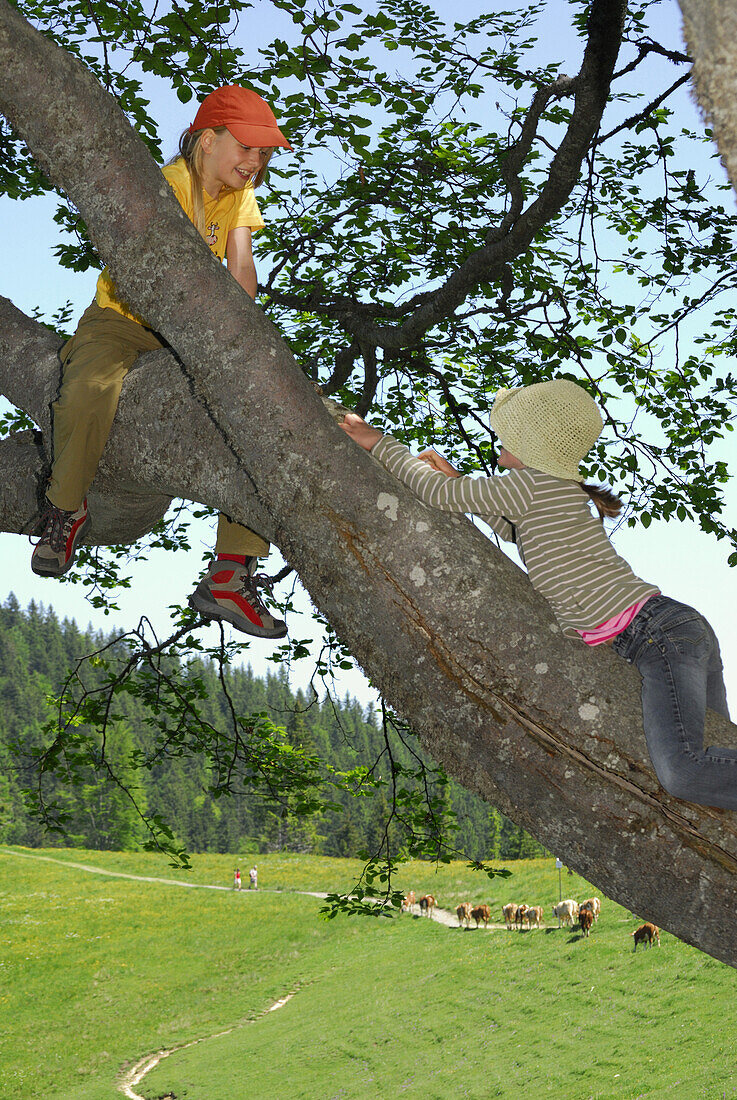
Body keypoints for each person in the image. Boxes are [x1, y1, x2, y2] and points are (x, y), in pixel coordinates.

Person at [340, 378, 735, 810]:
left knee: (684, 771)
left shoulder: (532, 485)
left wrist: (378, 442)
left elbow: (438, 494)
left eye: (509, 434)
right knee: (719, 757)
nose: (498, 440)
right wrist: (460, 481)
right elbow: (517, 531)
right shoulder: (544, 490)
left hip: (658, 635)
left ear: (533, 445)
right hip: (671, 629)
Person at [31, 85, 290, 640]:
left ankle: (231, 570)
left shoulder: (242, 198)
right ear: (206, 139)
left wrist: (236, 341)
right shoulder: (163, 186)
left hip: (191, 334)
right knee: (87, 389)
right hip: (122, 322)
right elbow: (139, 280)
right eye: (246, 148)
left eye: (264, 154)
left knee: (262, 411)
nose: (255, 163)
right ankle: (65, 510)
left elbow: (241, 282)